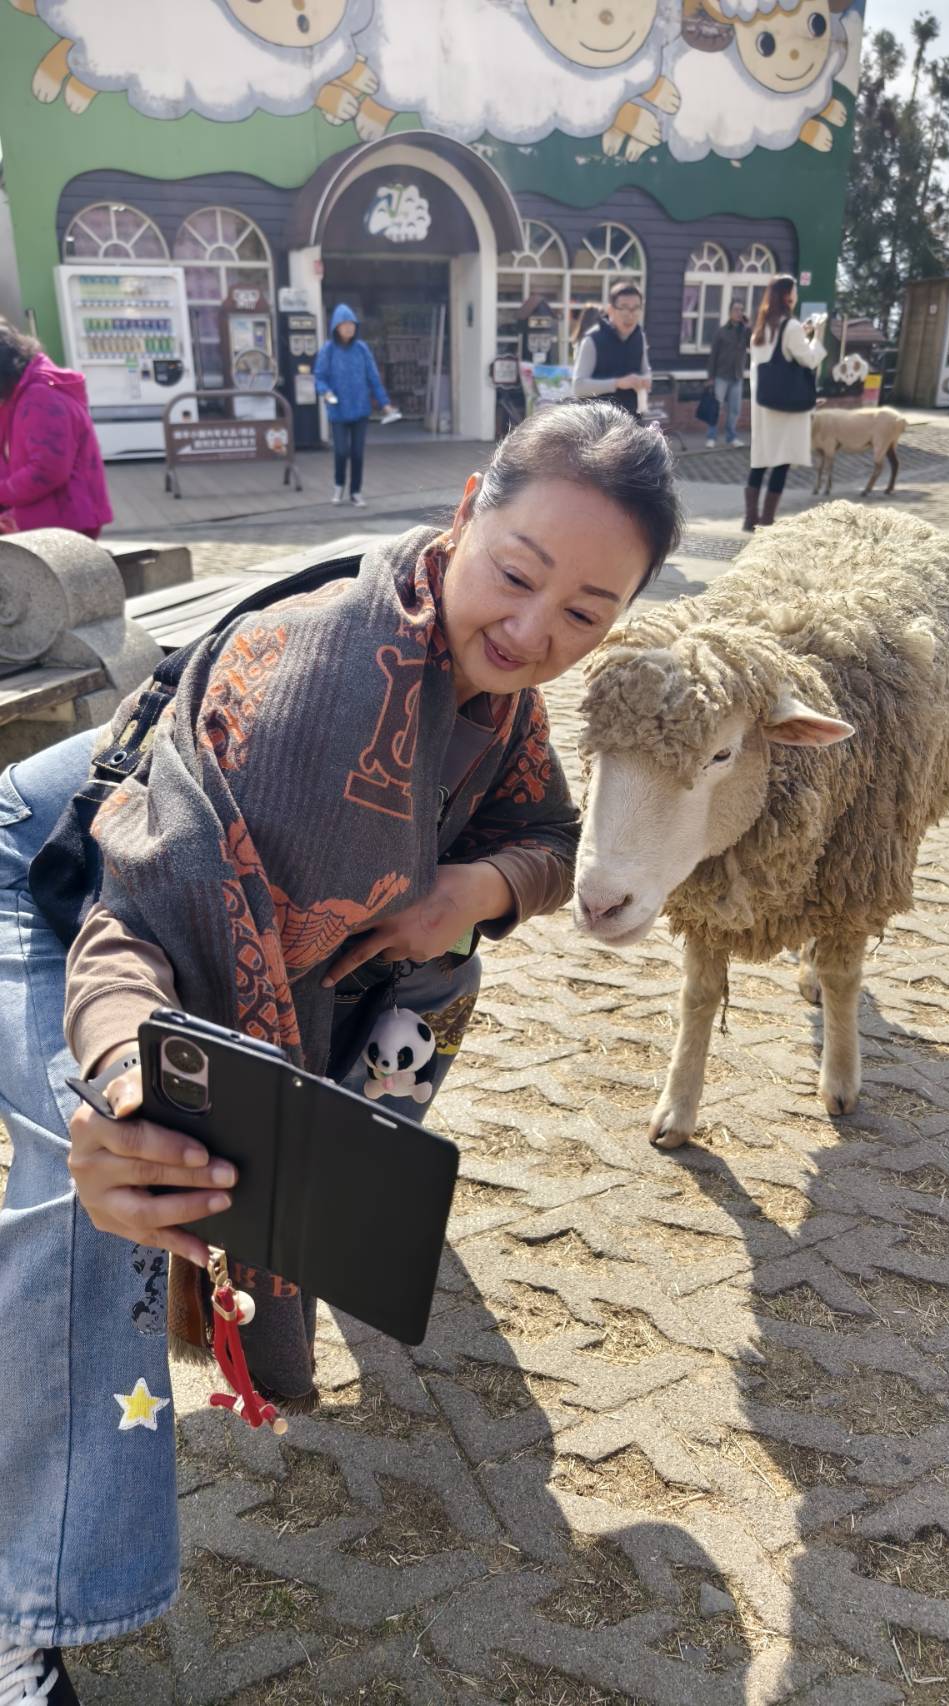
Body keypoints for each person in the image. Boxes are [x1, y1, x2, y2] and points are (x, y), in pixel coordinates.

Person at [0, 400, 682, 1701]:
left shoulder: (490, 694)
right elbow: (129, 932)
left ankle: (315, 1196)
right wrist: (126, 1089)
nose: (535, 631)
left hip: (166, 871)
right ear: (467, 508)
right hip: (53, 878)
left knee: (426, 977)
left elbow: (548, 832)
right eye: (520, 573)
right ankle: (23, 1602)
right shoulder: (325, 698)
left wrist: (468, 891)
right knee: (106, 1199)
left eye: (586, 612)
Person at [0, 319, 112, 538]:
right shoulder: (19, 393)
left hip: (61, 528)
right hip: (41, 521)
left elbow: (47, 470)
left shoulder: (41, 397)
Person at [744, 273, 826, 531]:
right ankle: (767, 519)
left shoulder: (760, 329)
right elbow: (808, 359)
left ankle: (750, 517)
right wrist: (818, 335)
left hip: (764, 404)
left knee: (760, 460)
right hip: (786, 406)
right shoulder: (790, 327)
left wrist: (801, 333)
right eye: (794, 291)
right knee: (782, 460)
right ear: (788, 296)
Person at [313, 303, 393, 508]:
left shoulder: (361, 349)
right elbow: (319, 377)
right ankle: (338, 485)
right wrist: (326, 391)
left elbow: (373, 378)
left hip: (360, 409)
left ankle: (355, 492)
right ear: (336, 327)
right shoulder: (328, 350)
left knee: (357, 453)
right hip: (338, 410)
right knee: (341, 451)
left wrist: (385, 404)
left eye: (352, 324)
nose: (349, 328)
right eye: (345, 324)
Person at [572, 282, 652, 418]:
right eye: (624, 308)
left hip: (631, 420)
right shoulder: (592, 340)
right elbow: (578, 387)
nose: (631, 315)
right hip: (598, 423)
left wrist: (645, 380)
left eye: (636, 308)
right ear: (610, 310)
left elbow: (645, 371)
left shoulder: (639, 336)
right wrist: (617, 383)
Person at [704, 299, 749, 448]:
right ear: (730, 312)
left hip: (737, 376)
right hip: (721, 376)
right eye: (736, 309)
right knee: (716, 407)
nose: (739, 312)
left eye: (741, 310)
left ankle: (731, 437)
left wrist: (747, 325)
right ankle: (711, 437)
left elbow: (755, 342)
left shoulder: (745, 332)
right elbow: (713, 356)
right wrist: (710, 377)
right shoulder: (721, 331)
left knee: (734, 410)